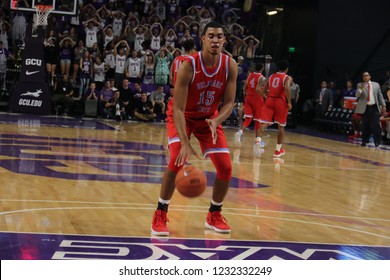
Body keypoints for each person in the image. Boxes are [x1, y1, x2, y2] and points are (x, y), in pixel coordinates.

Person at [151, 22, 238, 236]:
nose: (215, 40)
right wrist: (185, 143)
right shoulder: (189, 65)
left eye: (219, 36)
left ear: (224, 40)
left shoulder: (230, 65)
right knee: (176, 161)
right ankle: (160, 212)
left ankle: (214, 214)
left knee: (226, 167)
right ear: (203, 38)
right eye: (211, 36)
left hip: (209, 119)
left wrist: (217, 121)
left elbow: (229, 103)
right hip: (183, 117)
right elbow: (179, 109)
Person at [257, 60, 292, 157]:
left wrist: (266, 97)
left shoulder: (271, 76)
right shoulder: (287, 77)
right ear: (287, 69)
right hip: (280, 102)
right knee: (281, 126)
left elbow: (260, 90)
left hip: (270, 100)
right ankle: (278, 150)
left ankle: (258, 141)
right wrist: (289, 102)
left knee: (264, 123)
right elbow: (287, 88)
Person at [234, 62, 266, 158]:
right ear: (262, 68)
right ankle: (256, 143)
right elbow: (258, 89)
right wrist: (265, 96)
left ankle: (239, 133)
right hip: (257, 99)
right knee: (258, 121)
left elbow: (244, 88)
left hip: (248, 98)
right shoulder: (262, 78)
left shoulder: (250, 75)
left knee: (248, 119)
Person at [355, 72, 387, 147]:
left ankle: (377, 142)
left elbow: (380, 96)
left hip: (374, 107)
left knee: (376, 125)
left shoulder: (376, 84)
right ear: (363, 78)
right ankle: (364, 140)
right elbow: (357, 95)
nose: (365, 77)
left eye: (367, 75)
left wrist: (383, 105)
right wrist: (361, 89)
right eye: (364, 76)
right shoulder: (359, 85)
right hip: (365, 108)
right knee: (364, 125)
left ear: (370, 76)